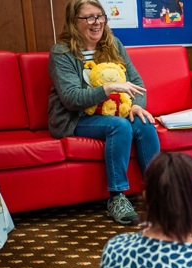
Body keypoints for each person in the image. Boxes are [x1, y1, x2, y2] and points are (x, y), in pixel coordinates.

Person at [48, 0, 160, 225]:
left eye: (100, 16)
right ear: (73, 22)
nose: (96, 22)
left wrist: (137, 105)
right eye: (89, 17)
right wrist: (109, 88)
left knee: (144, 122)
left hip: (117, 111)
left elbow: (136, 81)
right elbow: (71, 99)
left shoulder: (113, 44)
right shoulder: (62, 53)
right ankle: (117, 198)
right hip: (75, 117)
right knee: (119, 126)